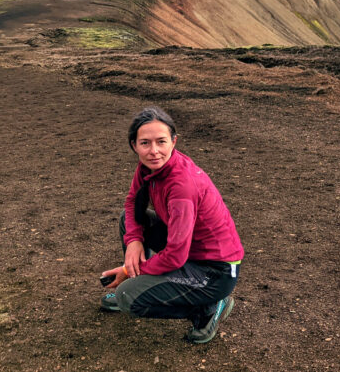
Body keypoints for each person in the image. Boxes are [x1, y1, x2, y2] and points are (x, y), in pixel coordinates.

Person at [100, 106, 244, 344]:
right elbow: (132, 202)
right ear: (134, 145)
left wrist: (127, 273)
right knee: (130, 221)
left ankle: (207, 309)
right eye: (145, 143)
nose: (154, 151)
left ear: (174, 142)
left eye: (161, 142)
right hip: (190, 251)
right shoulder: (149, 167)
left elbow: (176, 255)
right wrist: (134, 241)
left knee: (127, 296)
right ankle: (141, 280)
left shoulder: (182, 187)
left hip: (214, 271)